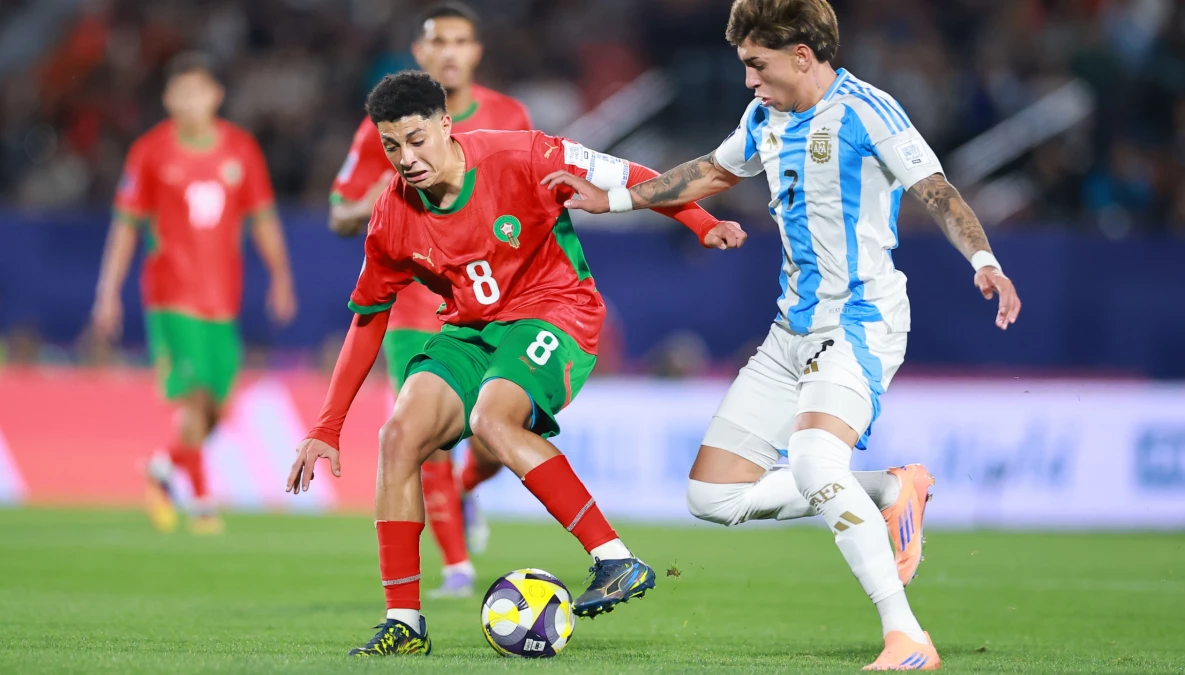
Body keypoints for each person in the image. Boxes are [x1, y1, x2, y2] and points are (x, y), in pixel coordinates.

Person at [541, 0, 1023, 669]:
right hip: (790, 327)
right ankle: (888, 488)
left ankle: (907, 636)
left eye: (756, 64)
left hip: (862, 319)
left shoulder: (866, 110)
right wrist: (615, 200)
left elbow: (936, 190)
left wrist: (985, 262)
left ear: (802, 54)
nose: (748, 81)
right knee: (711, 496)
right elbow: (713, 170)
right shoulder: (764, 116)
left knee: (815, 462)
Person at [285, 70, 745, 656]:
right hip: (471, 330)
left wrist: (702, 224)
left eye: (418, 139)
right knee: (398, 437)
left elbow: (626, 174)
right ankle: (405, 623)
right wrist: (327, 427)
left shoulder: (522, 154)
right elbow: (369, 316)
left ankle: (617, 560)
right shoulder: (391, 217)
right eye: (392, 146)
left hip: (556, 312)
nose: (407, 158)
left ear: (447, 126)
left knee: (492, 420)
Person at [328, 1, 532, 599]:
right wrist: (366, 204)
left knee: (499, 433)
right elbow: (339, 212)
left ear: (476, 52)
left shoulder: (507, 115)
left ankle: (468, 491)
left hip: (497, 304)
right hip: (416, 307)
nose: (449, 51)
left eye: (460, 41)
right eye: (437, 40)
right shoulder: (382, 126)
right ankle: (457, 569)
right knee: (419, 435)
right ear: (419, 53)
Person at [93, 52, 297, 534]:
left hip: (221, 299)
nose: (188, 101)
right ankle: (202, 500)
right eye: (179, 92)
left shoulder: (241, 150)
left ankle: (163, 467)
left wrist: (282, 276)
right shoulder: (150, 152)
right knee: (195, 398)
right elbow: (126, 226)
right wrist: (108, 291)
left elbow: (262, 217)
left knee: (219, 407)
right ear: (167, 98)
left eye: (197, 91)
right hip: (170, 295)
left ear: (215, 95)